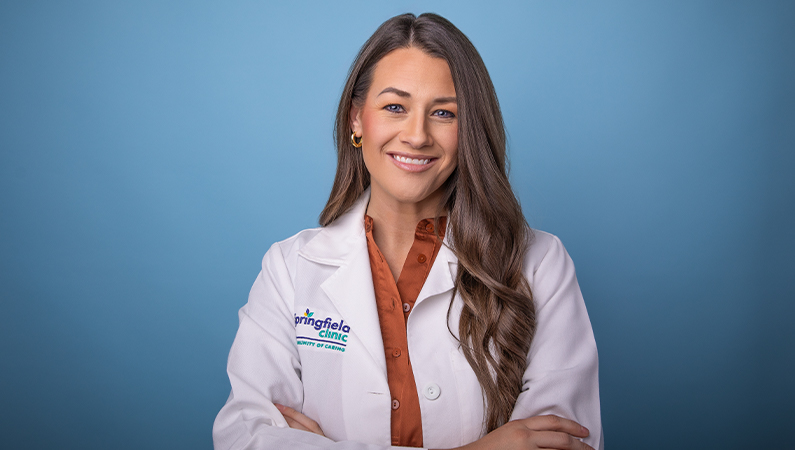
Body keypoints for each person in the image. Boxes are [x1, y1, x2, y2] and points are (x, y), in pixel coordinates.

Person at [213, 12, 602, 450]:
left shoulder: (539, 264)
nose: (417, 136)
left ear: (469, 130)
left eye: (443, 113)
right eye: (395, 107)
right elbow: (242, 438)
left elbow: (561, 442)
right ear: (356, 120)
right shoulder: (290, 268)